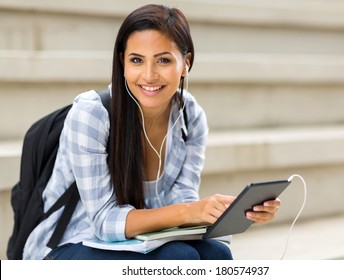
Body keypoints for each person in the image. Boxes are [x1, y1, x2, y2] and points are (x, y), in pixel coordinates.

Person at [23, 4, 281, 260]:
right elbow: (104, 222)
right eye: (136, 60)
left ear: (185, 64)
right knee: (178, 257)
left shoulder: (190, 117)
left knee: (216, 253)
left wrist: (226, 213)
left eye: (163, 60)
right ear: (122, 61)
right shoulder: (92, 114)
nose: (149, 75)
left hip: (139, 241)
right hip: (67, 244)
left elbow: (184, 198)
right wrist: (190, 211)